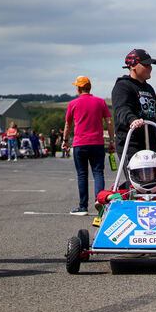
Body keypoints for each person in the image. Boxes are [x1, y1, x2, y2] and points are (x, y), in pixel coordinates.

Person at [64, 76, 115, 216]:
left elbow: (68, 124)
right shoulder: (100, 102)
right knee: (98, 172)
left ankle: (83, 206)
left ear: (79, 88)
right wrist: (111, 141)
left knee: (82, 174)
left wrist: (65, 140)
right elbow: (109, 123)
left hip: (80, 143)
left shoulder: (73, 103)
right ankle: (100, 201)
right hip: (97, 143)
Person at [112, 48, 156, 167]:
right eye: (146, 64)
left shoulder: (149, 89)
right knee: (137, 180)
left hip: (151, 142)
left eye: (150, 65)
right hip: (132, 143)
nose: (150, 68)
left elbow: (154, 114)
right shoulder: (123, 86)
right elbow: (122, 109)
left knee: (154, 181)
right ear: (133, 66)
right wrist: (132, 120)